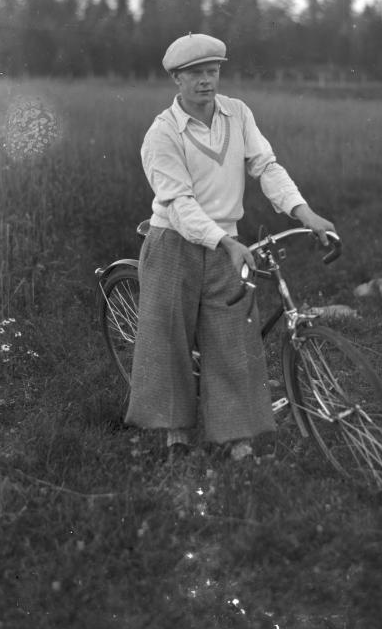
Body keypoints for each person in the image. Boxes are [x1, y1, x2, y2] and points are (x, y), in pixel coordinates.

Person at [125, 33, 336, 461]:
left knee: (234, 340)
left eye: (212, 71)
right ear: (176, 79)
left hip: (227, 244)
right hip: (174, 243)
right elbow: (179, 203)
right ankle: (175, 434)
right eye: (195, 74)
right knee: (169, 339)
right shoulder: (162, 133)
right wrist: (225, 241)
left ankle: (237, 438)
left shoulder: (237, 114)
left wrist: (305, 213)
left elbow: (266, 166)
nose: (206, 81)